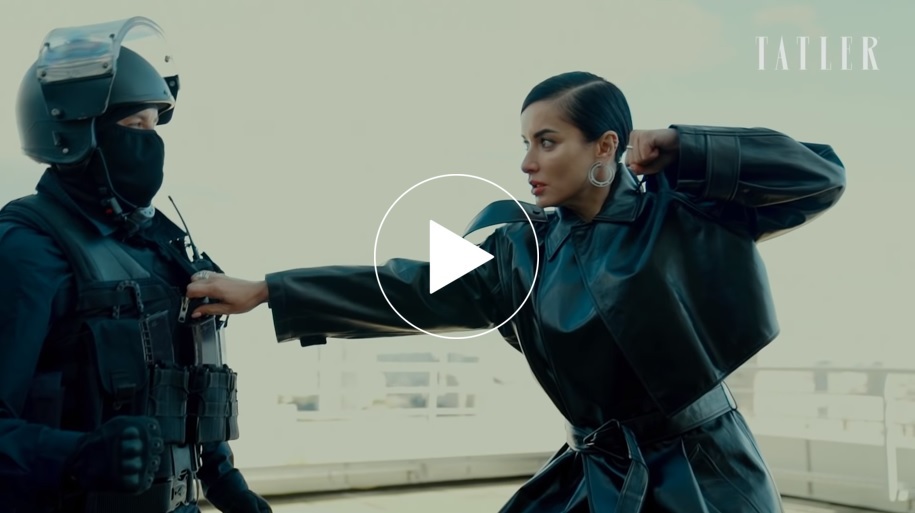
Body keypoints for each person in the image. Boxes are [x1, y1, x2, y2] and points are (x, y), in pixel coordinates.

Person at [185, 71, 847, 512]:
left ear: (604, 145)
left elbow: (820, 177)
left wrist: (684, 145)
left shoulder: (680, 210)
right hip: (595, 470)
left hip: (705, 472)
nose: (527, 162)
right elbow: (407, 285)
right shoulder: (518, 248)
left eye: (547, 142)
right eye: (525, 143)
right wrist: (268, 289)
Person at [0, 17, 271, 513]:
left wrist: (224, 480)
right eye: (133, 126)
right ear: (75, 134)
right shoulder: (27, 249)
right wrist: (76, 456)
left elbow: (183, 385)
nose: (151, 142)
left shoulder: (159, 246)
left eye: (154, 125)